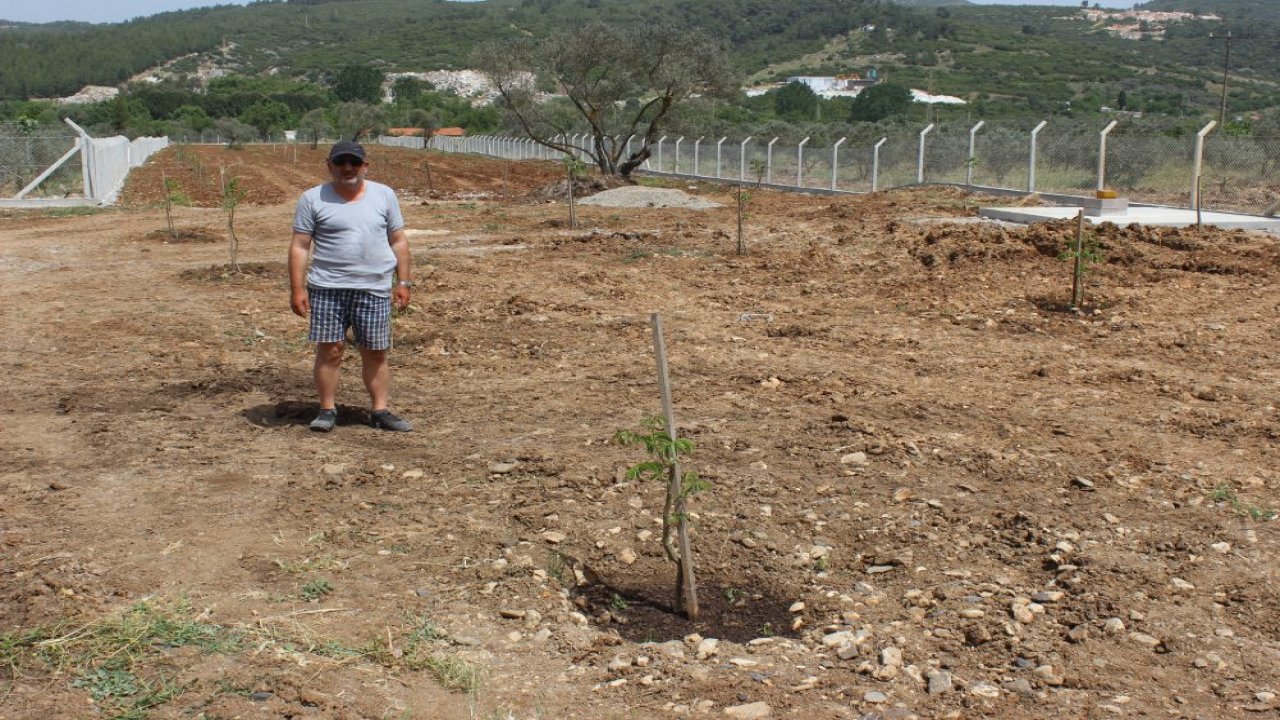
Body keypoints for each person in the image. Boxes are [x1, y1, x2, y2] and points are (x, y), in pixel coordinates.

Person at [288, 140, 414, 433]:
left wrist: (404, 281)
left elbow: (399, 240)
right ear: (329, 166)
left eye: (354, 163)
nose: (348, 168)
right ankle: (327, 409)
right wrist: (297, 289)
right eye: (341, 163)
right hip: (327, 288)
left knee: (375, 351)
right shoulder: (312, 199)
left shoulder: (384, 195)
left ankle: (380, 411)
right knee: (331, 349)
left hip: (373, 288)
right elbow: (300, 246)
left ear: (365, 166)